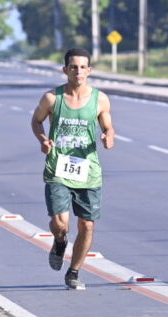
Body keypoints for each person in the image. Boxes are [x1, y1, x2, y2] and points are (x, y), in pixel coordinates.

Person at [30, 48, 115, 290]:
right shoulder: (52, 98)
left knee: (87, 225)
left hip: (89, 171)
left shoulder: (100, 99)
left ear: (89, 71)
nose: (78, 71)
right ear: (65, 69)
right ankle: (59, 241)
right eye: (73, 67)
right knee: (60, 223)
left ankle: (74, 271)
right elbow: (36, 121)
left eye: (82, 67)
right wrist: (43, 139)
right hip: (58, 167)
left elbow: (108, 127)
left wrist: (109, 137)